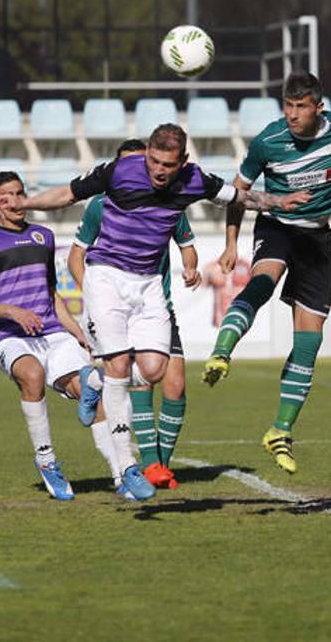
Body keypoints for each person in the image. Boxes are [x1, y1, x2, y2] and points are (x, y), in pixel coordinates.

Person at [20, 123, 310, 501]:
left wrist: (276, 202)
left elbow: (237, 196)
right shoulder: (120, 171)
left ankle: (93, 382)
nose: (158, 170)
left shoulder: (193, 180)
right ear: (146, 155)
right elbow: (66, 194)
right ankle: (127, 468)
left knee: (154, 370)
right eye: (153, 161)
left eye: (166, 164)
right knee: (121, 367)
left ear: (182, 162)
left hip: (148, 284)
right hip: (106, 276)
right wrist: (26, 204)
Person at [202, 73, 331, 475]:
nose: (292, 114)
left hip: (318, 238)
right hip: (276, 226)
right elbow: (239, 192)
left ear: (318, 107)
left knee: (310, 340)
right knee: (262, 282)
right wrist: (231, 243)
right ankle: (222, 350)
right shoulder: (267, 142)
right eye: (287, 106)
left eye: (300, 106)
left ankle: (280, 431)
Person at [0, 171, 126, 500]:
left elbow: (52, 294)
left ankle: (120, 472)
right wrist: (14, 312)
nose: (16, 200)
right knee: (33, 375)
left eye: (20, 193)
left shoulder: (43, 236)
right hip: (10, 338)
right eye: (8, 195)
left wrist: (77, 331)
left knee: (87, 391)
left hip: (52, 333)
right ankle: (47, 461)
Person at [68, 139, 201, 491]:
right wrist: (98, 300)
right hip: (113, 305)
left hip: (155, 305)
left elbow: (187, 246)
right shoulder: (101, 205)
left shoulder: (168, 200)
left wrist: (190, 267)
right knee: (134, 380)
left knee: (172, 384)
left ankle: (93, 384)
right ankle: (147, 466)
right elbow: (74, 258)